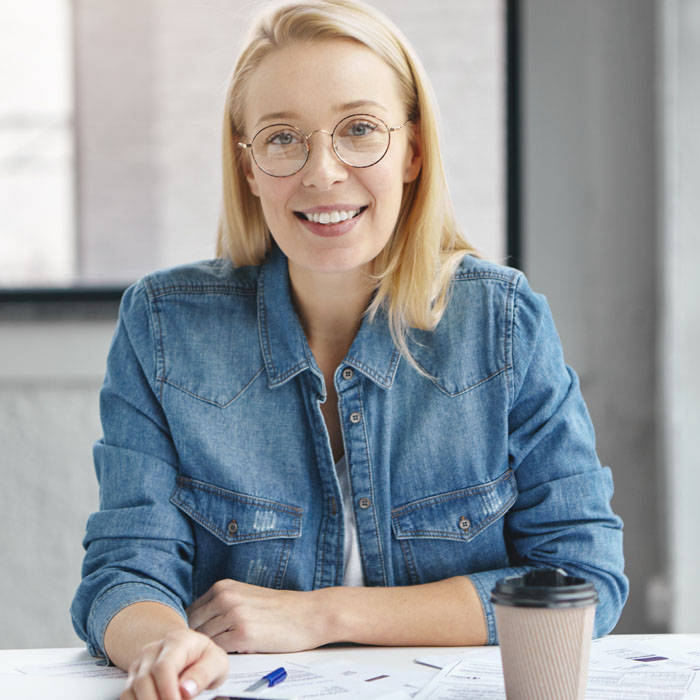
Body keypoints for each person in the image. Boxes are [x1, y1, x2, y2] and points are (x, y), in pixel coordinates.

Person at [71, 1, 628, 698]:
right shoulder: (162, 326)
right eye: (282, 138)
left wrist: (322, 615)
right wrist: (164, 647)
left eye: (359, 129)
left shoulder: (502, 322)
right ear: (247, 168)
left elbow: (583, 580)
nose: (323, 172)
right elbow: (126, 571)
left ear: (413, 152)